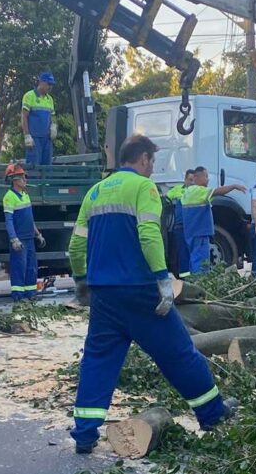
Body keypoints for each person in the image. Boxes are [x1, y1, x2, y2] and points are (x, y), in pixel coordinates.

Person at [68, 135, 236, 454]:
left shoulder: (95, 192)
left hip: (104, 296)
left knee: (98, 360)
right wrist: (162, 279)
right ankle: (213, 414)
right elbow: (148, 234)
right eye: (152, 163)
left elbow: (76, 245)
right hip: (141, 292)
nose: (151, 170)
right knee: (178, 353)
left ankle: (85, 433)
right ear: (143, 159)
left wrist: (81, 281)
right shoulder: (143, 189)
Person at [181, 167, 246, 274]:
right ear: (197, 177)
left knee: (194, 259)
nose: (208, 179)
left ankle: (194, 282)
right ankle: (200, 284)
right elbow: (217, 191)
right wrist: (233, 186)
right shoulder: (198, 191)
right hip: (200, 232)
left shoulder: (188, 192)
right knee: (201, 262)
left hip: (192, 232)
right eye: (205, 176)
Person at [3, 164, 46, 301]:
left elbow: (30, 219)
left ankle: (31, 294)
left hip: (29, 238)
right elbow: (8, 220)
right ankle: (18, 296)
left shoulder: (25, 195)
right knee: (19, 268)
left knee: (31, 268)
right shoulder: (9, 197)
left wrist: (38, 234)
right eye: (22, 177)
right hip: (20, 239)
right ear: (14, 180)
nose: (25, 180)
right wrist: (14, 239)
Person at [165, 169, 196, 278]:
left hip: (191, 228)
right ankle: (184, 279)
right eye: (190, 179)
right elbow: (166, 200)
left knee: (192, 255)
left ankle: (191, 277)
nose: (192, 182)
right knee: (181, 255)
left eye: (194, 180)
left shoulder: (197, 191)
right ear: (185, 180)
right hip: (180, 228)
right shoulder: (176, 190)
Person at [21, 72, 57, 166]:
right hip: (34, 138)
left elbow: (52, 117)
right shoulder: (29, 96)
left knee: (47, 167)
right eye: (48, 84)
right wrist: (27, 135)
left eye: (51, 85)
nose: (50, 87)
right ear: (41, 82)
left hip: (47, 139)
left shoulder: (50, 99)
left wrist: (53, 127)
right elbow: (24, 116)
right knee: (34, 167)